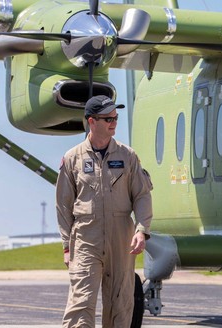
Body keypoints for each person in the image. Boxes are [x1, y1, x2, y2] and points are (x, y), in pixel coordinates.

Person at [56, 95, 153, 328]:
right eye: (108, 118)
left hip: (121, 238)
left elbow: (141, 195)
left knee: (120, 301)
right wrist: (67, 246)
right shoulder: (72, 159)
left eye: (115, 118)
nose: (114, 122)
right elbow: (63, 205)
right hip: (86, 237)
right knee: (81, 300)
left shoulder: (127, 156)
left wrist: (142, 230)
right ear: (92, 121)